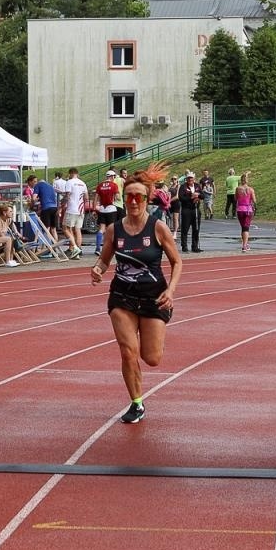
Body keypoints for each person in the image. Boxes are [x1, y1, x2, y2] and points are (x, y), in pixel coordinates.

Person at [90, 163, 183, 424]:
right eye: (129, 196)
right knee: (128, 351)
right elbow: (104, 261)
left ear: (147, 199)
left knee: (151, 358)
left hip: (154, 297)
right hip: (123, 296)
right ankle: (137, 403)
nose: (133, 201)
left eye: (138, 197)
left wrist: (171, 290)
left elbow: (177, 262)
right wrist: (97, 270)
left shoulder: (158, 228)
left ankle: (155, 334)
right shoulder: (114, 229)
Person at [61, 167, 88, 256]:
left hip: (72, 209)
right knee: (77, 229)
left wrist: (61, 206)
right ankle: (78, 248)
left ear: (70, 173)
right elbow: (86, 198)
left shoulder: (69, 182)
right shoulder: (83, 183)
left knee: (65, 228)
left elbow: (67, 196)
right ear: (77, 173)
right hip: (81, 210)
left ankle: (74, 248)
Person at [93, 169, 120, 255]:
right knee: (112, 230)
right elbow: (118, 197)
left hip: (102, 209)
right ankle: (111, 248)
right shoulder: (114, 185)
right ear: (112, 177)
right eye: (114, 177)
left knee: (101, 229)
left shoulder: (100, 185)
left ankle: (98, 248)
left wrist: (94, 209)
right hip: (111, 209)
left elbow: (96, 198)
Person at [176, 172, 201, 253]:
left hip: (195, 209)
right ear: (186, 179)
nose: (190, 179)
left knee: (196, 228)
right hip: (186, 210)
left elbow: (202, 195)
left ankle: (195, 246)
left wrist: (198, 196)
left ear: (194, 178)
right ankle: (184, 246)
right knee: (185, 228)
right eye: (189, 178)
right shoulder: (183, 187)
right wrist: (191, 197)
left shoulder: (197, 186)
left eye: (191, 178)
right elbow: (181, 198)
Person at [235, 171, 256, 252]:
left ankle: (245, 243)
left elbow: (235, 198)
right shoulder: (250, 189)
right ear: (247, 180)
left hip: (240, 209)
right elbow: (254, 200)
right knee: (246, 228)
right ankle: (244, 246)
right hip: (248, 210)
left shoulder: (238, 189)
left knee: (243, 227)